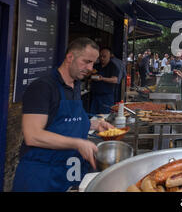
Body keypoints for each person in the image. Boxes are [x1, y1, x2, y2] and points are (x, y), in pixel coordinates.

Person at [12, 38, 114, 192]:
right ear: (70, 57)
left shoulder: (75, 85)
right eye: (86, 61)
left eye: (93, 63)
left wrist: (96, 124)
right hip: (41, 176)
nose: (90, 68)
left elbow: (69, 119)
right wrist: (78, 143)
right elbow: (32, 135)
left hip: (68, 172)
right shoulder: (42, 87)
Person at [90, 47, 120, 114]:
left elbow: (115, 80)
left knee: (105, 116)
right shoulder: (96, 66)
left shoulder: (113, 67)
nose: (102, 58)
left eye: (104, 56)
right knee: (93, 115)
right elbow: (89, 75)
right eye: (100, 56)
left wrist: (102, 78)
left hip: (106, 96)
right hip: (95, 95)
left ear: (110, 56)